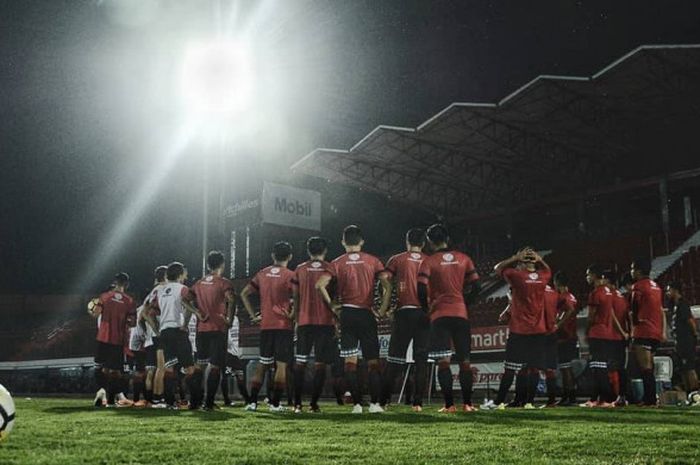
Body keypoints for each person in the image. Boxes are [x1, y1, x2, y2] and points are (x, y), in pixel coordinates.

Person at [316, 225, 391, 414]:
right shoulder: (373, 261)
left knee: (350, 361)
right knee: (373, 362)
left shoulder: (337, 262)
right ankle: (375, 404)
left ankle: (357, 405)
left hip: (347, 314)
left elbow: (320, 285)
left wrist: (332, 306)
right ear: (362, 241)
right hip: (366, 314)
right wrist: (382, 309)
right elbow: (387, 286)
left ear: (343, 242)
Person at [418, 224, 480, 413]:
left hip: (440, 315)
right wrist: (464, 302)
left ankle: (449, 405)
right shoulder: (464, 258)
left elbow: (421, 288)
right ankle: (468, 404)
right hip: (460, 313)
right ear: (448, 238)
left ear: (429, 241)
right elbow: (477, 287)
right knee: (465, 361)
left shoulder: (428, 261)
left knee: (443, 361)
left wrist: (426, 307)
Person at [492, 247, 551, 410]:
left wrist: (514, 257)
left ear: (521, 261)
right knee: (533, 368)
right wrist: (540, 259)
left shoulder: (517, 276)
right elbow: (548, 269)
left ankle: (499, 403)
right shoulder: (543, 277)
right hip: (538, 330)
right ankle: (529, 403)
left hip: (519, 330)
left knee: (510, 368)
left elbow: (497, 268)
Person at [240, 241, 295, 412]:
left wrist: (252, 315)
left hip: (265, 325)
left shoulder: (262, 273)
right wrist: (293, 315)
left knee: (263, 364)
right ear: (290, 257)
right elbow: (299, 298)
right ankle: (276, 404)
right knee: (281, 365)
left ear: (273, 256)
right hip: (283, 325)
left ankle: (252, 402)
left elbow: (244, 294)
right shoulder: (291, 275)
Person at [380, 228, 429, 412]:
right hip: (424, 315)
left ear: (407, 242)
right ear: (423, 243)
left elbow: (384, 280)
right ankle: (417, 404)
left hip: (404, 312)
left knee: (394, 359)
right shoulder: (429, 261)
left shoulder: (397, 259)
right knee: (421, 360)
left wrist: (386, 306)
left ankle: (384, 401)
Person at [145, 262, 206, 409]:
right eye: (184, 273)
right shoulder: (183, 289)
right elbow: (189, 303)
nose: (186, 276)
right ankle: (196, 402)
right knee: (190, 368)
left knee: (169, 368)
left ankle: (170, 402)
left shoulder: (159, 291)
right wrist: (186, 322)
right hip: (178, 331)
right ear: (179, 274)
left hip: (165, 332)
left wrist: (157, 329)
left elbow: (149, 313)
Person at [291, 237, 336, 413]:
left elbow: (295, 297)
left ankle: (297, 404)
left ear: (308, 251)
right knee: (320, 364)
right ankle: (314, 404)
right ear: (325, 251)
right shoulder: (330, 268)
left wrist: (296, 319)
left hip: (304, 321)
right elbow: (334, 294)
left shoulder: (300, 269)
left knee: (300, 363)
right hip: (325, 322)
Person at [191, 250, 236, 410]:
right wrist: (229, 319)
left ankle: (194, 402)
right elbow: (231, 299)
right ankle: (209, 403)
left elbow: (185, 299)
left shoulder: (198, 283)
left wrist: (197, 312)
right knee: (216, 366)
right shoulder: (224, 283)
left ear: (208, 265)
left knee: (200, 366)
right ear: (222, 265)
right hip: (218, 328)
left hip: (201, 329)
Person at [87, 272, 137, 407]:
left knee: (100, 367)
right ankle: (111, 399)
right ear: (127, 284)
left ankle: (101, 390)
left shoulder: (104, 296)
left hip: (102, 337)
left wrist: (90, 311)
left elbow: (95, 314)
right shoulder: (129, 301)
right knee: (115, 371)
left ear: (115, 282)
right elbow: (133, 322)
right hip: (118, 339)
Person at [630, 257, 666, 406]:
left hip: (643, 330)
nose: (631, 272)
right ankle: (652, 398)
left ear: (638, 271)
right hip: (656, 331)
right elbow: (660, 310)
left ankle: (649, 399)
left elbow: (634, 306)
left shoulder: (638, 286)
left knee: (645, 367)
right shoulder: (656, 286)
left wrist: (634, 324)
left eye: (632, 269)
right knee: (649, 365)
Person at [580, 265, 616, 408]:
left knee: (597, 367)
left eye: (588, 274)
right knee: (601, 367)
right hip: (607, 333)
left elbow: (591, 316)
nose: (587, 277)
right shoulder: (608, 292)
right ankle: (599, 399)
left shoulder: (595, 293)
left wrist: (587, 332)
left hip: (597, 332)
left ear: (594, 275)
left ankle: (604, 399)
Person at [141, 266, 167, 407]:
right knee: (162, 367)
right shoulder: (163, 290)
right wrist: (157, 329)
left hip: (154, 335)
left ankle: (157, 398)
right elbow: (146, 313)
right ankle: (159, 397)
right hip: (162, 332)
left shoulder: (153, 291)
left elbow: (143, 313)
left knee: (159, 368)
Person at [666, 282, 698, 397]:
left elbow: (690, 321)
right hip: (679, 342)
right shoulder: (674, 306)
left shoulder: (683, 304)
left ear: (675, 290)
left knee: (689, 368)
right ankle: (689, 394)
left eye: (669, 290)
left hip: (686, 341)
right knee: (683, 369)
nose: (667, 293)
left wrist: (695, 336)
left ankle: (695, 394)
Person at [554, 271, 579, 406]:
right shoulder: (571, 296)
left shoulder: (564, 297)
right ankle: (568, 396)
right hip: (570, 336)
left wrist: (558, 324)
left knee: (565, 367)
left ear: (557, 283)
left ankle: (569, 397)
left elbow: (569, 311)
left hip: (565, 337)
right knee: (565, 367)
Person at [606, 270, 631, 406]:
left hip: (613, 337)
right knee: (621, 367)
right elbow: (628, 316)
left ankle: (611, 397)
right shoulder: (622, 296)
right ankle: (621, 396)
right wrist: (627, 332)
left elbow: (611, 316)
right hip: (622, 338)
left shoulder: (610, 296)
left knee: (610, 366)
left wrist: (622, 331)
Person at [221, 315, 250, 406]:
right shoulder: (224, 318)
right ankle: (227, 399)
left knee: (239, 375)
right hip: (228, 352)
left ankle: (247, 399)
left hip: (237, 352)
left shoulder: (238, 319)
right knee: (225, 376)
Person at [543, 283, 561, 407]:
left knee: (530, 366)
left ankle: (526, 401)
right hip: (552, 332)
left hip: (541, 331)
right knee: (550, 368)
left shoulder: (537, 291)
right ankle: (551, 400)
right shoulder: (554, 293)